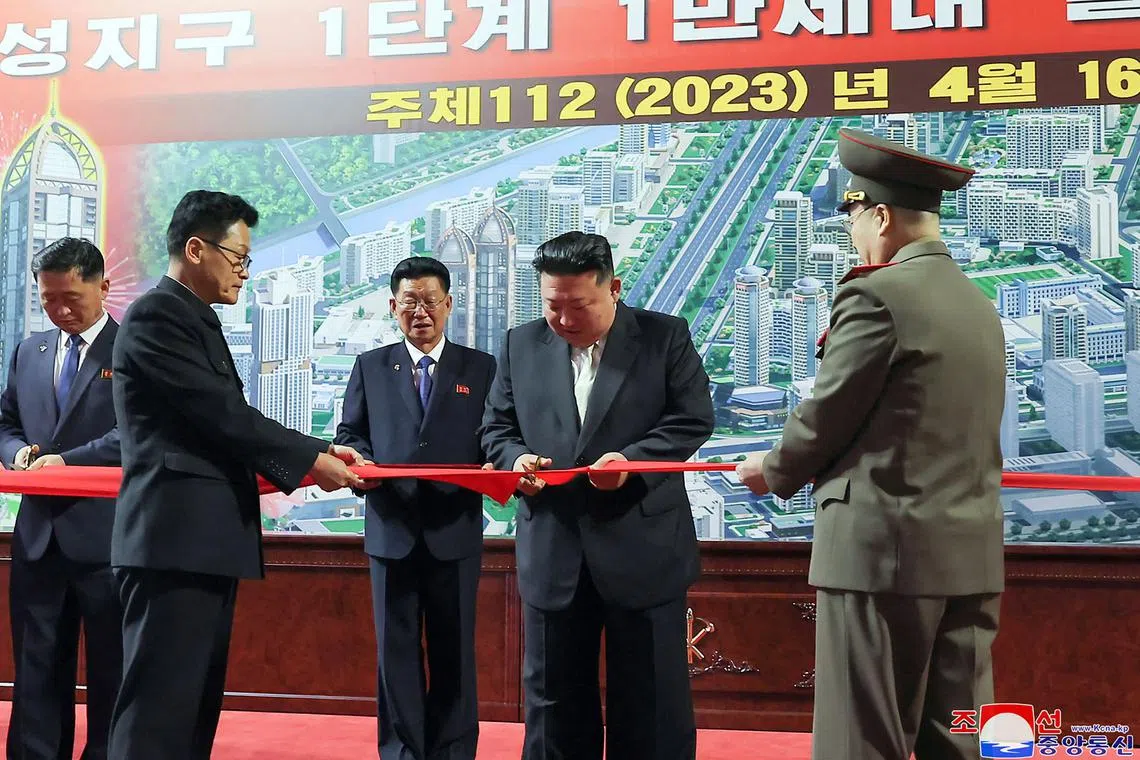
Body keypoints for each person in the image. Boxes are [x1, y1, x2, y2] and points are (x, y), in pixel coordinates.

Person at [735, 129, 1006, 760]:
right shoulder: (976, 302)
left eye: (853, 217)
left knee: (864, 736)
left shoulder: (877, 295)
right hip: (968, 556)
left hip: (882, 555)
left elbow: (828, 412)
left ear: (880, 215)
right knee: (962, 734)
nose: (853, 233)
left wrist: (773, 469)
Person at [107, 190, 368, 760]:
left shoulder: (191, 315)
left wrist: (318, 450)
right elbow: (221, 415)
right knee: (158, 714)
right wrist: (310, 460)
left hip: (200, 544)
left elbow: (224, 421)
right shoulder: (158, 314)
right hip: (172, 544)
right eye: (240, 258)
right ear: (196, 249)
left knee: (190, 714)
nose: (246, 272)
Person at [480, 231, 715, 760]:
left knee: (651, 704)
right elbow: (495, 428)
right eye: (551, 305)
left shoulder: (663, 337)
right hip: (553, 547)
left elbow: (693, 418)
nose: (562, 320)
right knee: (553, 704)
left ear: (614, 289)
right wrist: (515, 459)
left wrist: (632, 463)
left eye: (577, 305)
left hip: (643, 546)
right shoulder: (521, 344)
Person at [336, 256, 496, 760]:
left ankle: (453, 751)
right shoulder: (372, 365)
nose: (420, 311)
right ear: (392, 306)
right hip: (391, 530)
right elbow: (350, 434)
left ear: (448, 305)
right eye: (410, 301)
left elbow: (496, 437)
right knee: (396, 655)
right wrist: (355, 460)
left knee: (455, 655)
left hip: (455, 531)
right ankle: (401, 752)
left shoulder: (480, 367)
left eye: (430, 301)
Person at [0, 238, 122, 760]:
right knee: (34, 672)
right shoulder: (30, 351)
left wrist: (69, 463)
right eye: (48, 298)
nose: (60, 309)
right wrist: (17, 453)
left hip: (112, 543)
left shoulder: (135, 350)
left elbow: (139, 433)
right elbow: (4, 423)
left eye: (71, 296)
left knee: (112, 675)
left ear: (103, 286)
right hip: (37, 541)